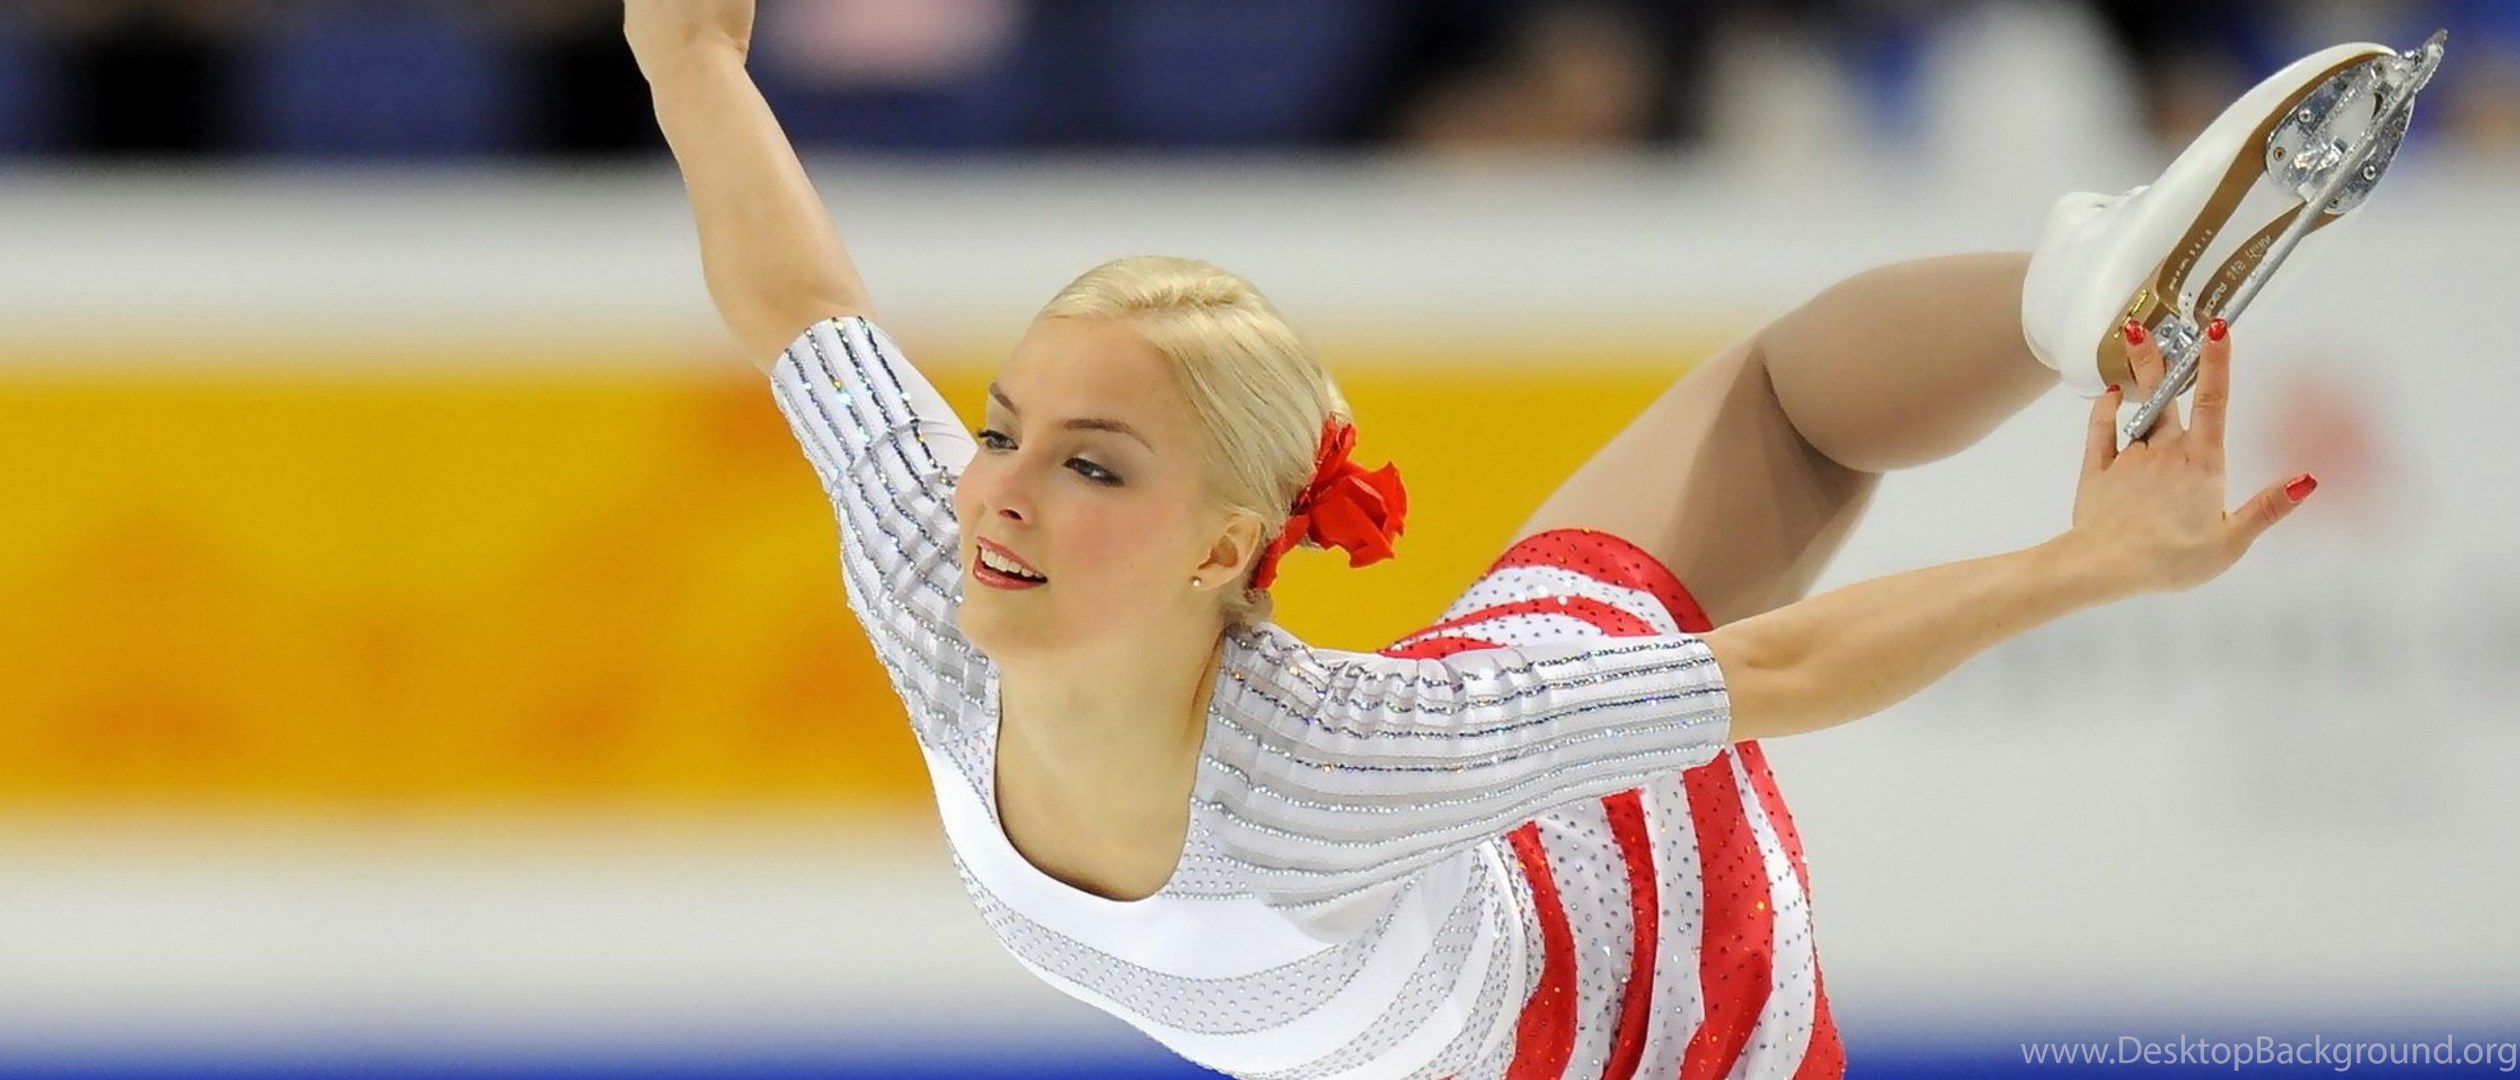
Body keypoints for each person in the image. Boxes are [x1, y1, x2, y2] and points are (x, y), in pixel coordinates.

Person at [626, 3, 2369, 1076]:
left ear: (1226, 549)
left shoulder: (1322, 768)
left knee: (1786, 410)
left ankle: (2089, 284)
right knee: (1780, 406)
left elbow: (1775, 671)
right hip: (1474, 830)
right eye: (1005, 428)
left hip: (1628, 1000)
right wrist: (687, 56)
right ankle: (2075, 295)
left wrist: (2090, 565)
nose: (995, 488)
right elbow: (802, 306)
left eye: (1090, 468)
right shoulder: (939, 580)